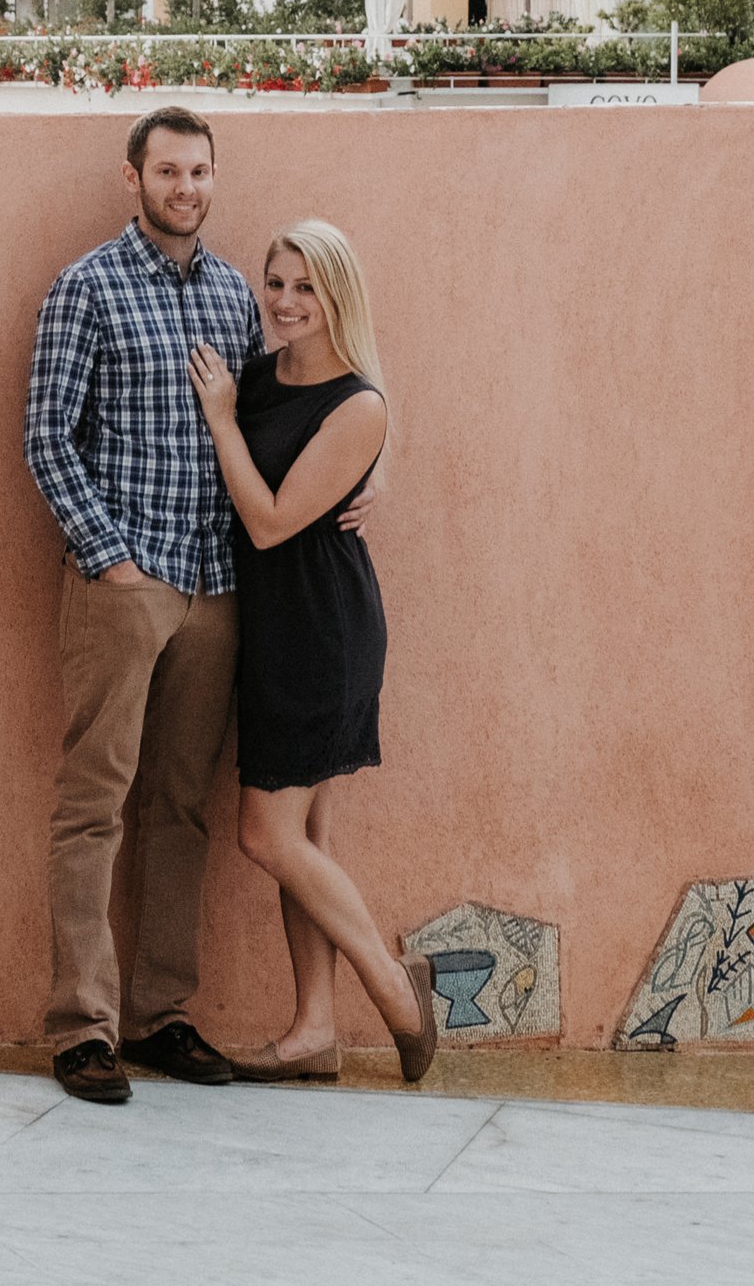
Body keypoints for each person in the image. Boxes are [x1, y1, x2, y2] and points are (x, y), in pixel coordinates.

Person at [23, 109, 377, 1107]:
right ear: (132, 179)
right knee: (94, 806)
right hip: (124, 588)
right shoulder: (85, 289)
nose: (186, 187)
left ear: (214, 180)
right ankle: (83, 1028)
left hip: (219, 593)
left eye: (199, 171)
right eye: (167, 170)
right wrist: (113, 564)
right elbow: (47, 437)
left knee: (180, 809)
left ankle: (161, 1017)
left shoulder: (235, 297)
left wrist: (373, 478)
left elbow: (305, 411)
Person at [186, 219, 435, 1084]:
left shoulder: (359, 402)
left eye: (304, 287)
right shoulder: (256, 380)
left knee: (267, 835)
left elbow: (269, 520)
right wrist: (231, 409)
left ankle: (395, 988)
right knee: (307, 837)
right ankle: (312, 1030)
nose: (285, 302)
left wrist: (220, 421)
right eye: (276, 283)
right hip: (272, 630)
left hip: (322, 636)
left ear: (337, 297)